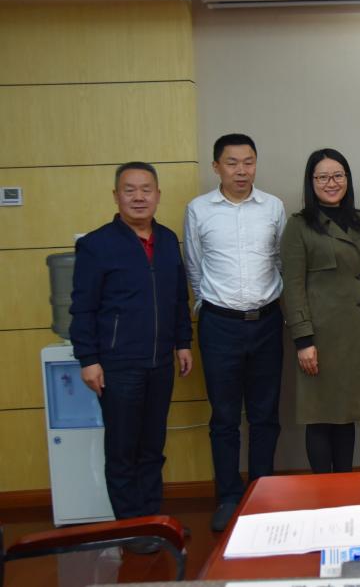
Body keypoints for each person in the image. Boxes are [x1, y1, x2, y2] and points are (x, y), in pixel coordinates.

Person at [69, 162, 192, 552]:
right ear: (116, 196)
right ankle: (130, 527)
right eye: (130, 189)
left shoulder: (168, 240)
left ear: (158, 194)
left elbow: (178, 298)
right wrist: (88, 359)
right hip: (118, 364)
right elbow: (82, 308)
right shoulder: (97, 245)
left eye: (146, 189)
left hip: (160, 361)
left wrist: (183, 342)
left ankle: (153, 521)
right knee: (123, 450)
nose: (139, 197)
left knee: (152, 448)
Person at [183, 133, 286, 531]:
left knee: (265, 415)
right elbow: (194, 266)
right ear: (216, 167)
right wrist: (207, 308)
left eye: (248, 162)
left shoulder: (273, 207)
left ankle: (262, 492)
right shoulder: (198, 210)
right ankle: (228, 497)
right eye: (232, 163)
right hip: (219, 325)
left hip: (266, 322)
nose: (241, 170)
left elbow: (281, 261)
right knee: (224, 418)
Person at [281, 149, 360, 473]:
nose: (331, 183)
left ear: (347, 179)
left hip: (355, 335)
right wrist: (303, 340)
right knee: (320, 416)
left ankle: (345, 486)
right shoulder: (299, 225)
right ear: (311, 182)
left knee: (346, 415)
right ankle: (323, 490)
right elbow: (293, 287)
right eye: (323, 177)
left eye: (338, 175)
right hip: (320, 338)